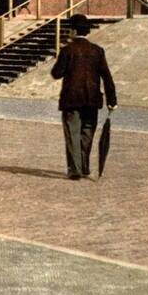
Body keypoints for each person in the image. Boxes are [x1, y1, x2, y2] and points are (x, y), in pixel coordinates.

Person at [50, 13, 117, 180]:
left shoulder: (67, 50)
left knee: (72, 132)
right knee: (87, 133)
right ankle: (85, 166)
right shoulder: (97, 51)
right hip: (92, 98)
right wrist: (112, 100)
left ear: (73, 31)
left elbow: (56, 73)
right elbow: (107, 77)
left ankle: (75, 169)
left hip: (71, 99)